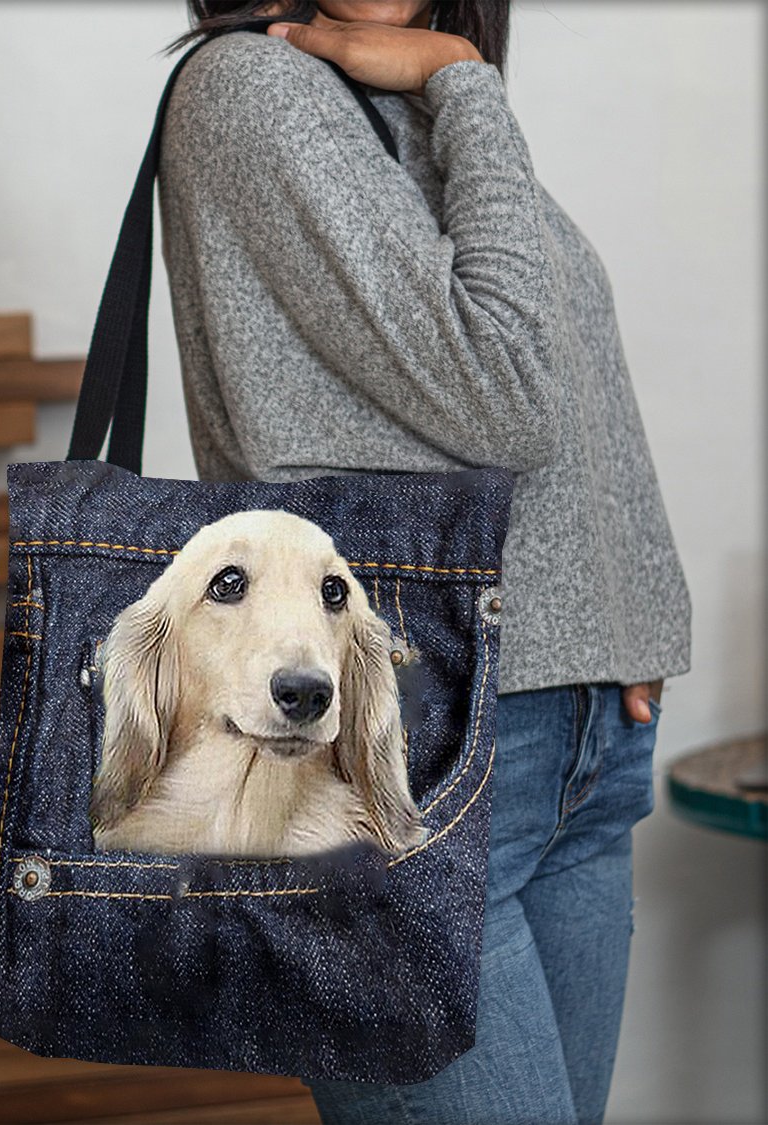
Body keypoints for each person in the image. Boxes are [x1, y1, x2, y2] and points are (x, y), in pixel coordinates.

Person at [155, 2, 692, 1122]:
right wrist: (466, 78)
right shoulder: (256, 90)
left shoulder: (401, 97)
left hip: (573, 748)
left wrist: (621, 629)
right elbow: (509, 391)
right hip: (413, 762)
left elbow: (571, 370)